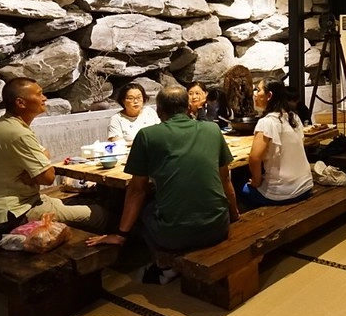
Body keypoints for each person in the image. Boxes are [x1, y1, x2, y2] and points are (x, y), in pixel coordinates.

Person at [87, 86, 239, 284]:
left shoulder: (147, 136)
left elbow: (136, 190)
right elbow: (225, 179)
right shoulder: (212, 130)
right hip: (218, 228)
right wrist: (234, 215)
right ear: (188, 107)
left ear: (159, 111)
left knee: (146, 210)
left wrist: (120, 235)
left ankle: (165, 266)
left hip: (174, 236)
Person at [0, 77, 107, 237]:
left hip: (1, 209)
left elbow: (44, 153)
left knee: (71, 201)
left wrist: (31, 173)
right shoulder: (18, 133)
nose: (44, 98)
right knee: (100, 215)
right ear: (21, 103)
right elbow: (48, 177)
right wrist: (35, 173)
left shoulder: (3, 123)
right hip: (14, 214)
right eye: (39, 94)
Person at [243, 80, 313, 208]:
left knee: (243, 188)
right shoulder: (294, 117)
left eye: (258, 90)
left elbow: (254, 158)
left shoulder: (266, 122)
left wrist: (256, 181)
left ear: (269, 96)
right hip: (306, 185)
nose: (255, 94)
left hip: (284, 192)